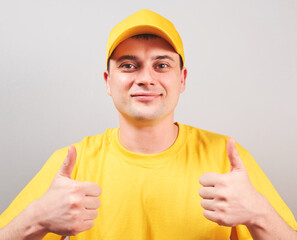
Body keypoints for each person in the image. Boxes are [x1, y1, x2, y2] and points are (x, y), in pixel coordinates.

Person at [0, 9, 296, 240]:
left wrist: (259, 214)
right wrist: (36, 218)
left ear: (182, 79)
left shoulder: (227, 159)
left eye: (162, 65)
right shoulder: (73, 162)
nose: (145, 78)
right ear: (108, 81)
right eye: (129, 65)